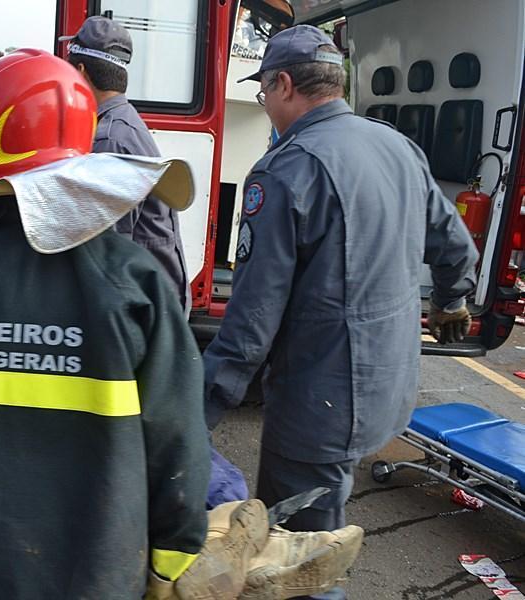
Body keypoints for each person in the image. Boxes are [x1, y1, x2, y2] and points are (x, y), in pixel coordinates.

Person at [0, 49, 363, 600]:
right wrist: (169, 565)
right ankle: (238, 543)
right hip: (91, 579)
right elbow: (175, 449)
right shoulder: (131, 279)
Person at [202, 25, 477, 600]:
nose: (266, 108)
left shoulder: (286, 170)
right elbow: (454, 245)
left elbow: (250, 325)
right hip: (387, 387)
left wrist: (195, 413)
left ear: (283, 84)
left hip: (319, 407)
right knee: (316, 535)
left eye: (263, 95)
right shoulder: (396, 145)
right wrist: (453, 299)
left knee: (298, 560)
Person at [63, 16, 191, 313]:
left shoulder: (110, 139)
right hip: (152, 298)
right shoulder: (123, 123)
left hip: (142, 307)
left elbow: (106, 250)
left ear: (81, 72)